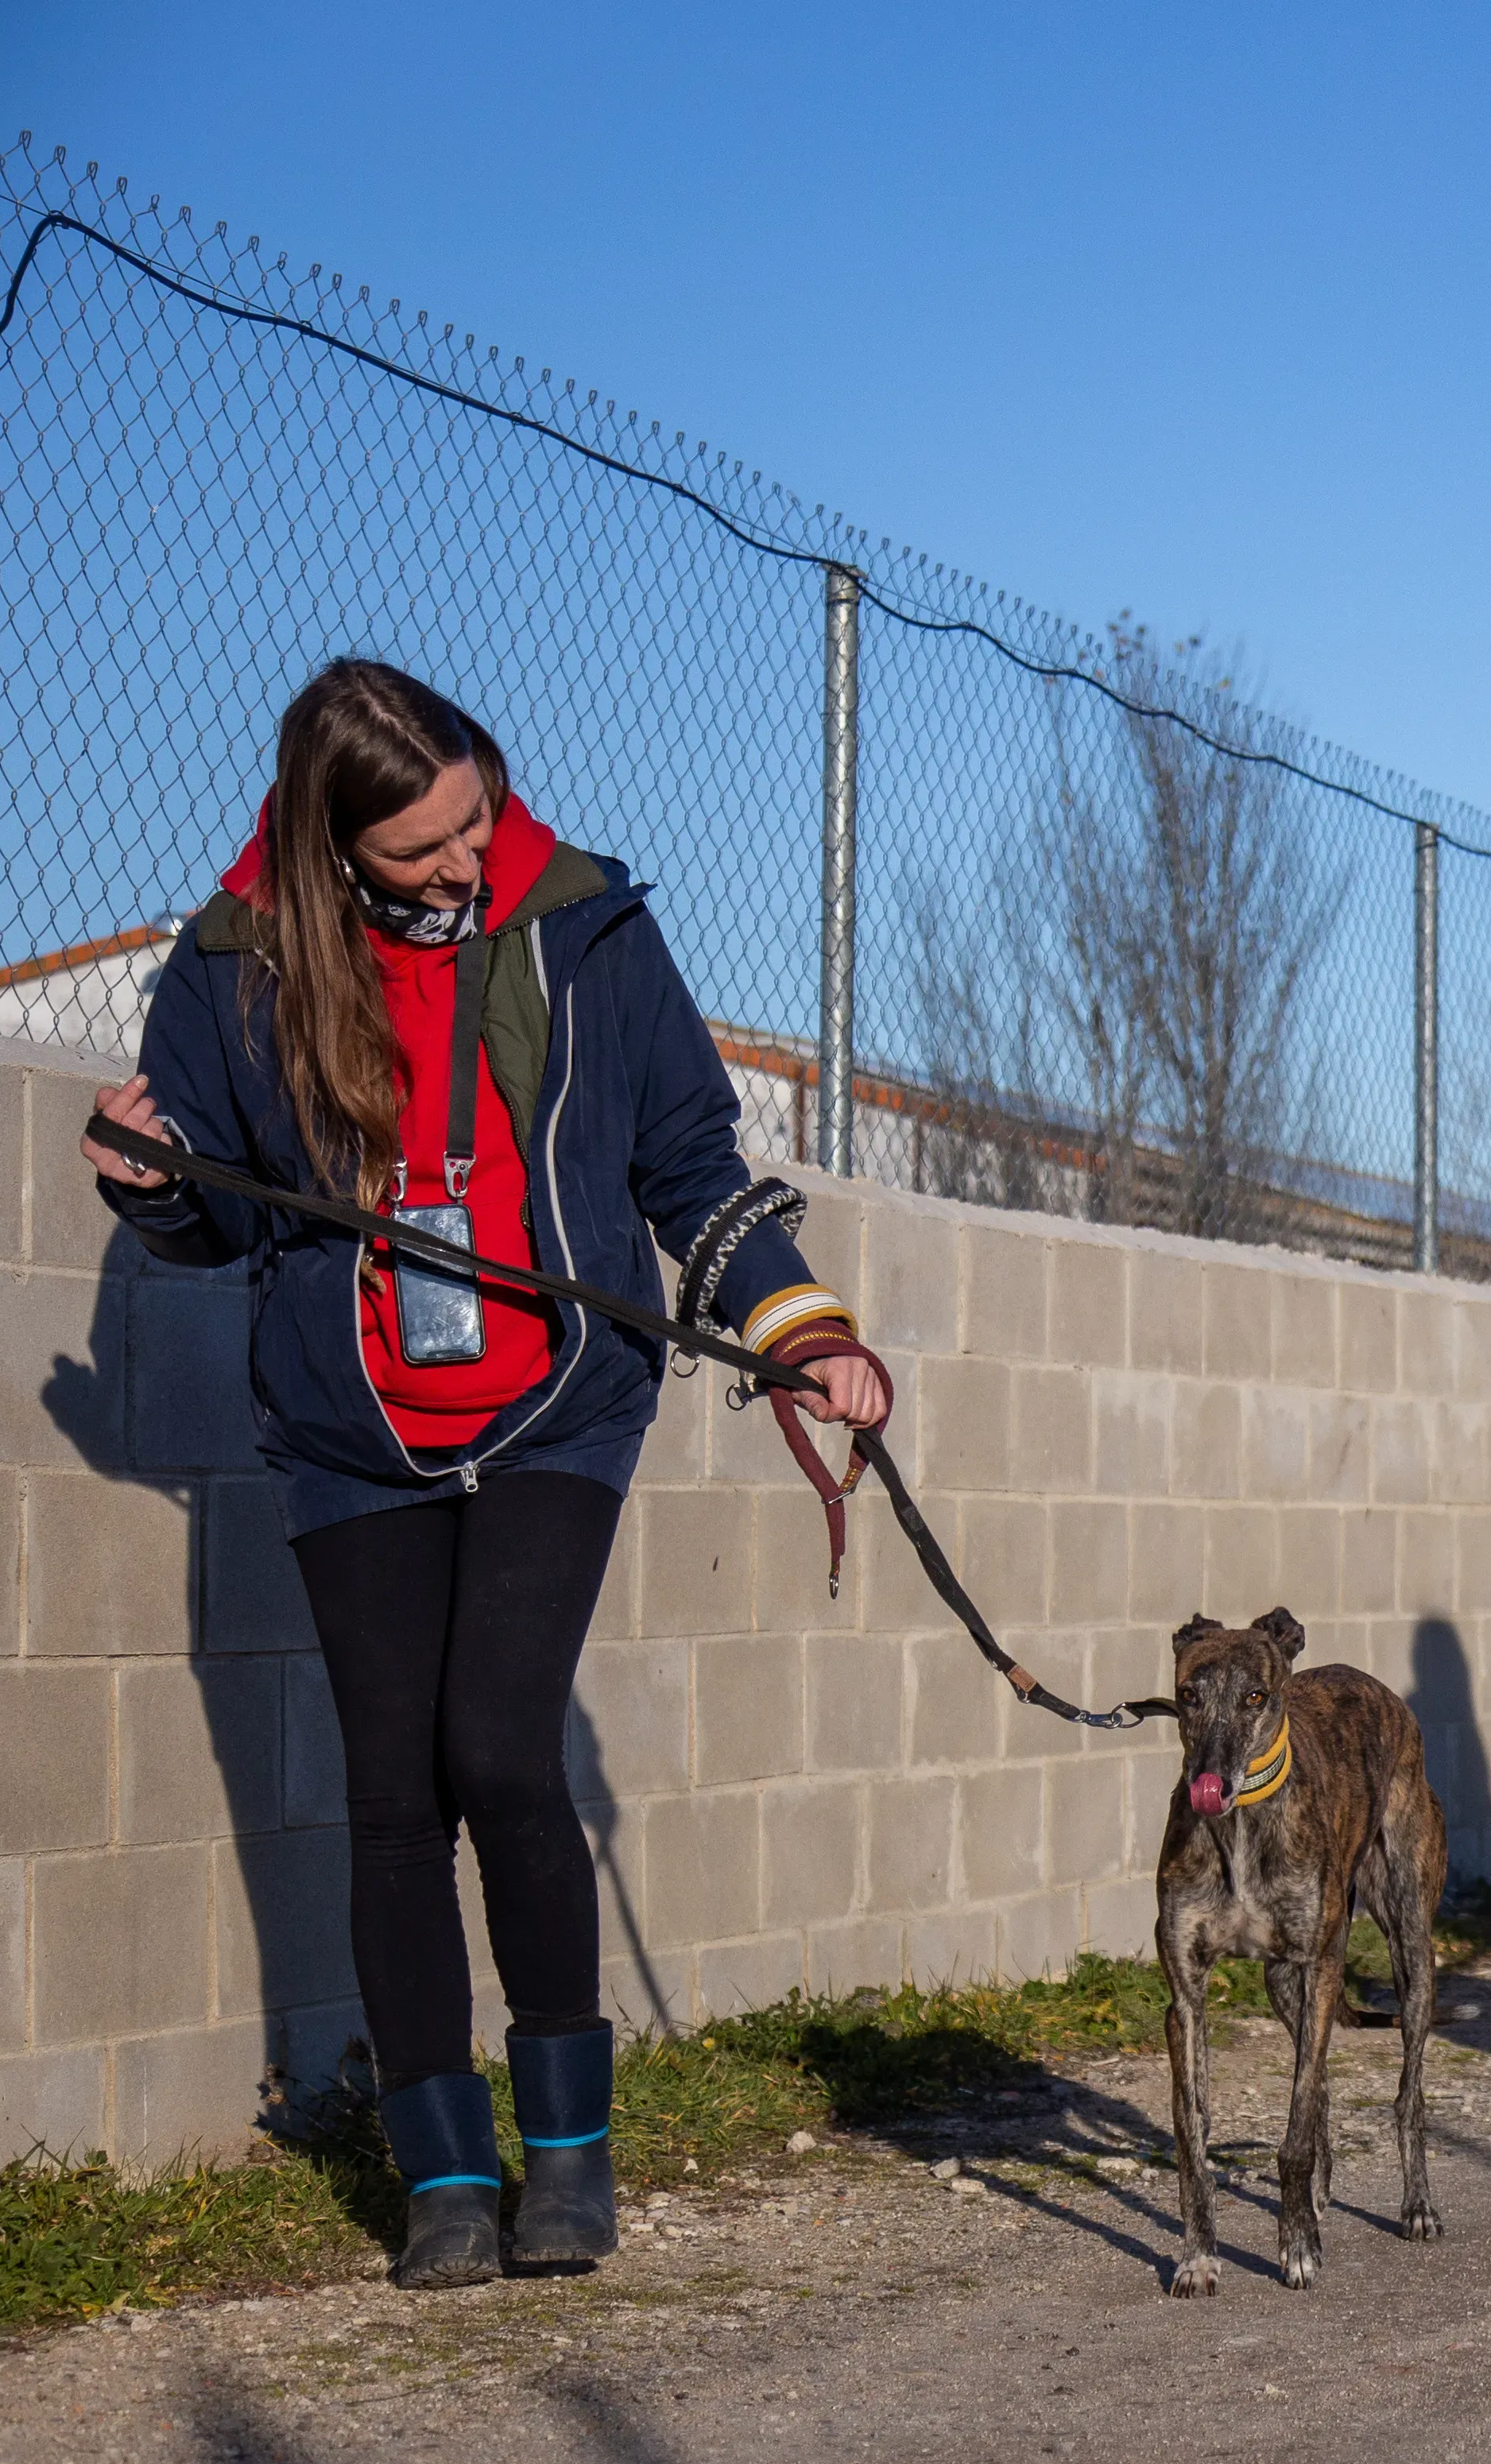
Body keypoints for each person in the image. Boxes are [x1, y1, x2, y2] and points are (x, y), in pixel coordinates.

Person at [80, 660, 890, 2292]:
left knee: (500, 1750)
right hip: (350, 1427)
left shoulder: (587, 924)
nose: (467, 860)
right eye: (421, 848)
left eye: (476, 814)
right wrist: (149, 1185)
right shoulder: (234, 967)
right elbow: (226, 1209)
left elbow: (686, 1164)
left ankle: (572, 2160)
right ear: (333, 853)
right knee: (395, 1800)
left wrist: (804, 1327)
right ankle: (446, 2174)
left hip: (553, 1409)